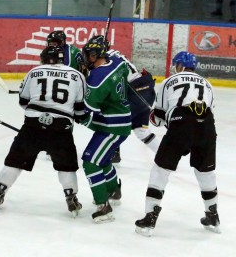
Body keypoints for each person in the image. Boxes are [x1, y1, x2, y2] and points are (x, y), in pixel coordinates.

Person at [0, 46, 87, 217]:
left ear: (42, 59)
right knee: (66, 166)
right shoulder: (76, 75)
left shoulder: (34, 72)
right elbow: (80, 108)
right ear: (61, 59)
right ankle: (71, 197)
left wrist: (38, 117)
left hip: (32, 125)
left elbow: (23, 101)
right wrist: (74, 116)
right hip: (61, 127)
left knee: (15, 161)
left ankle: (0, 190)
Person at [135, 51, 220, 236]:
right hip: (207, 126)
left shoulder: (168, 82)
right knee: (206, 171)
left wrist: (155, 116)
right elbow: (208, 110)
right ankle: (213, 215)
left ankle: (150, 218)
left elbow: (158, 118)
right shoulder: (208, 84)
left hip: (181, 125)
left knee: (160, 170)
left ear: (179, 66)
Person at [77, 35, 132, 223]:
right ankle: (113, 190)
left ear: (95, 55)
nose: (85, 59)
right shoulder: (117, 62)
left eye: (88, 55)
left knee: (90, 162)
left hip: (112, 127)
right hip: (119, 120)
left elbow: (87, 109)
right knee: (103, 159)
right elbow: (123, 62)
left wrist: (76, 114)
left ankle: (103, 206)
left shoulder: (97, 77)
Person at [106, 49, 161, 164]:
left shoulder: (106, 60)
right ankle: (165, 155)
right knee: (141, 130)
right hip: (146, 89)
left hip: (135, 93)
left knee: (112, 119)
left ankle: (113, 154)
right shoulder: (115, 53)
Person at [44, 30, 82, 161]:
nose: (52, 45)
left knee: (66, 116)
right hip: (56, 88)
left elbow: (80, 71)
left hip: (71, 89)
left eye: (55, 42)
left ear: (63, 42)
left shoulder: (73, 53)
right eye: (50, 42)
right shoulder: (48, 52)